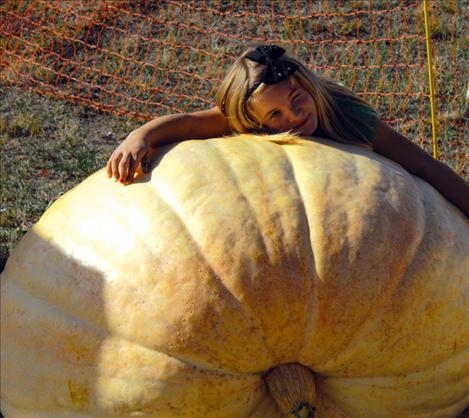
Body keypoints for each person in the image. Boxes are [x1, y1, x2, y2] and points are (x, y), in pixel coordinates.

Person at [107, 44, 469, 218]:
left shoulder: (346, 114)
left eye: (298, 98)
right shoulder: (246, 117)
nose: (294, 115)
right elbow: (189, 124)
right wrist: (140, 137)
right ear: (256, 118)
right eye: (276, 114)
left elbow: (422, 165)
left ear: (310, 85)